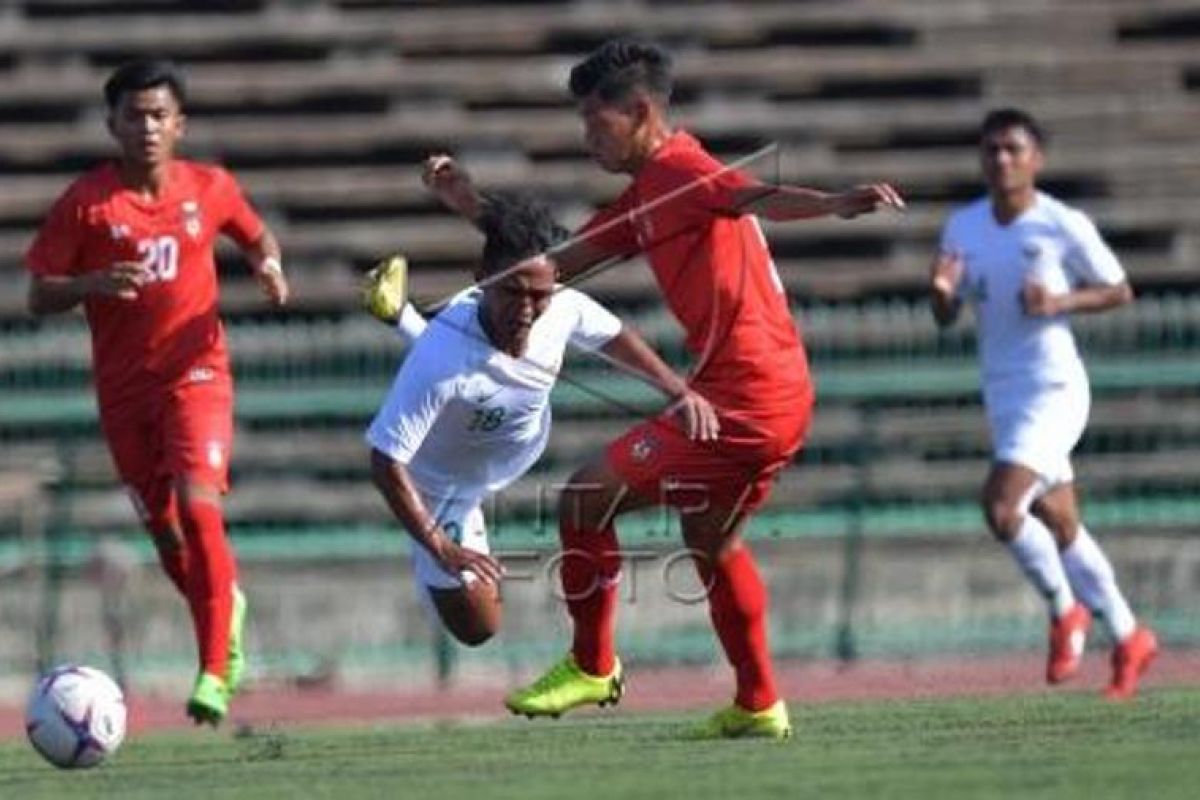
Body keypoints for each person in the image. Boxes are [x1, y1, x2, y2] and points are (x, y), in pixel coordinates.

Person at [424, 38, 903, 738]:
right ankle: (759, 701)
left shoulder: (684, 169)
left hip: (747, 398)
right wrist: (471, 205)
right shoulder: (651, 193)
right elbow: (549, 266)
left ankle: (592, 664)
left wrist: (832, 203)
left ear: (641, 111)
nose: (588, 138)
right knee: (712, 545)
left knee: (585, 499)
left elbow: (747, 194)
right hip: (774, 391)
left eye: (597, 122)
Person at [24, 59, 289, 725]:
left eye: (158, 114)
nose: (147, 126)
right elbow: (37, 293)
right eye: (134, 115)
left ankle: (214, 667)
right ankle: (225, 605)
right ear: (113, 123)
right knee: (169, 538)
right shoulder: (87, 203)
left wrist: (270, 267)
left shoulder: (211, 186)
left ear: (180, 123)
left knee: (199, 509)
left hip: (196, 375)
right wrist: (88, 285)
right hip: (123, 395)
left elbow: (256, 236)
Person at [365, 192, 718, 647]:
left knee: (472, 379)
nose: (527, 310)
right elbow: (384, 462)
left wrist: (678, 391)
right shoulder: (439, 363)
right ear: (481, 280)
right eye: (512, 293)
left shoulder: (563, 306)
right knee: (479, 628)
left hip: (512, 447)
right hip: (439, 487)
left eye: (540, 295)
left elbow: (614, 337)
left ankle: (400, 313)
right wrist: (439, 545)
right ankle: (402, 317)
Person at [929, 107, 1158, 699]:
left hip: (1054, 388)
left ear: (1037, 158)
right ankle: (1131, 636)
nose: (1001, 160)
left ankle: (1065, 611)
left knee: (1003, 508)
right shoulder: (964, 226)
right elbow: (946, 315)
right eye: (991, 150)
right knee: (1061, 523)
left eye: (1013, 149)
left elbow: (1120, 289)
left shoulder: (1061, 223)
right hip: (1002, 391)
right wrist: (943, 296)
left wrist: (1060, 304)